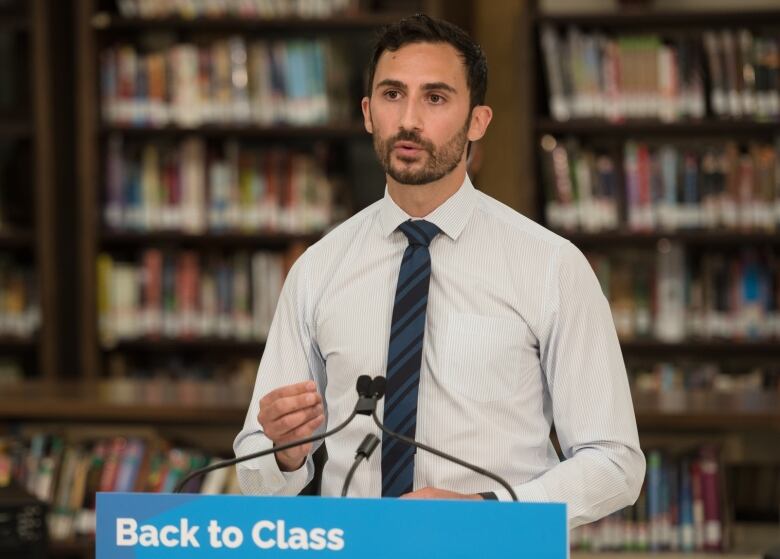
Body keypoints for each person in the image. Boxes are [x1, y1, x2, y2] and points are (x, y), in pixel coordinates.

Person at [234, 14, 645, 528]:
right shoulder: (318, 268)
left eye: (435, 98)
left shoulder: (552, 266)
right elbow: (255, 471)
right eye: (391, 94)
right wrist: (281, 454)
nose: (409, 119)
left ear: (478, 121)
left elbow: (615, 464)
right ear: (367, 113)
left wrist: (486, 514)